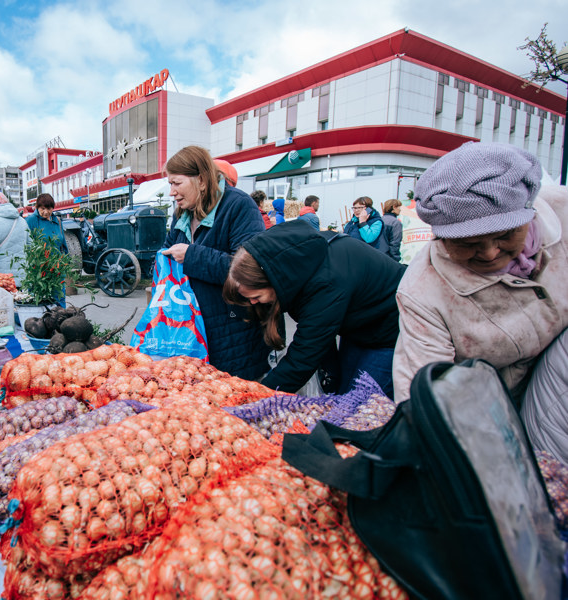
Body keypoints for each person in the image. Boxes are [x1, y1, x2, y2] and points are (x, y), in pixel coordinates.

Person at [393, 143, 568, 423]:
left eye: (505, 235)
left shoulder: (564, 212)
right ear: (442, 238)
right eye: (467, 243)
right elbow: (421, 392)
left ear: (528, 215)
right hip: (489, 410)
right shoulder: (422, 290)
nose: (489, 252)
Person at [224, 220, 406, 398]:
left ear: (274, 281)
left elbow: (303, 357)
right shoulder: (297, 267)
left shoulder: (325, 284)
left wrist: (256, 397)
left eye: (256, 297)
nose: (254, 303)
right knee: (342, 394)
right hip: (359, 327)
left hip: (391, 329)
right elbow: (321, 334)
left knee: (363, 408)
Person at [161, 145, 269, 381]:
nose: (171, 192)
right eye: (170, 184)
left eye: (176, 183)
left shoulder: (239, 206)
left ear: (200, 180)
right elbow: (167, 252)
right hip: (190, 332)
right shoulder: (181, 213)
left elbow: (249, 270)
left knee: (233, 405)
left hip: (233, 335)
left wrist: (192, 256)